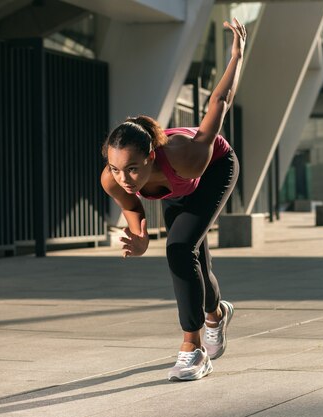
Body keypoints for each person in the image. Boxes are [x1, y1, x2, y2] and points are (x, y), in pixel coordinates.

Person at [100, 18, 246, 381]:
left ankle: (192, 349)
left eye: (132, 169)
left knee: (180, 248)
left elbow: (220, 101)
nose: (124, 178)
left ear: (150, 157)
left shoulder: (185, 154)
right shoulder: (114, 180)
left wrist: (237, 56)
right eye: (116, 168)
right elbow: (134, 212)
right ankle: (216, 314)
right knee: (192, 255)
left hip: (212, 170)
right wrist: (139, 237)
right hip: (175, 188)